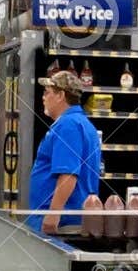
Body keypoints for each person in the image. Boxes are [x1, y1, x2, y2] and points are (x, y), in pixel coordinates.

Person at [28, 71, 101, 234]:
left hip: (61, 222)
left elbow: (68, 174)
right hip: (70, 217)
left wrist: (54, 214)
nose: (43, 98)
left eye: (47, 93)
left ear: (61, 95)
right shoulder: (82, 123)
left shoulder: (68, 125)